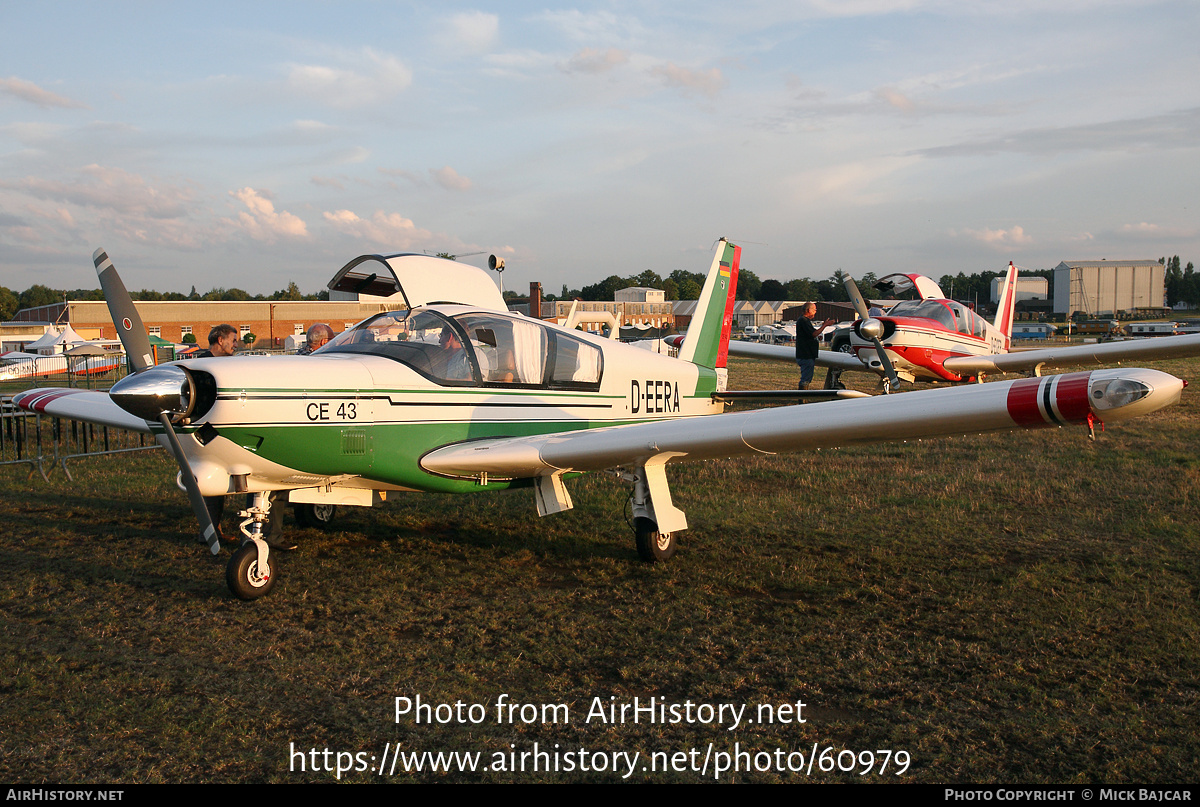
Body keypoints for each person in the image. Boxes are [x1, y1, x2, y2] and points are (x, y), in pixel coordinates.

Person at [795, 303, 836, 390]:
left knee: (807, 378)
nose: (815, 312)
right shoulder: (803, 320)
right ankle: (802, 399)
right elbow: (814, 334)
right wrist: (825, 325)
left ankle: (803, 398)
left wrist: (818, 334)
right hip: (806, 354)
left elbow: (812, 333)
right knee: (805, 379)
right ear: (809, 310)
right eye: (814, 310)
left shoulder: (803, 320)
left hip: (806, 353)